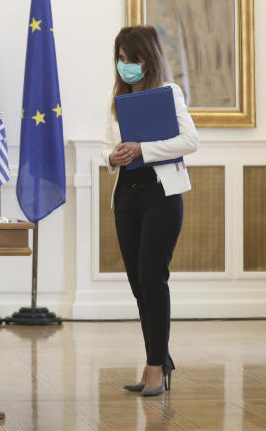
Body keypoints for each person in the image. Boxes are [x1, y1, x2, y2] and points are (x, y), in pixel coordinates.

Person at [101, 25, 198, 396]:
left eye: (132, 58)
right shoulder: (116, 100)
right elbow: (105, 147)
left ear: (148, 58)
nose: (126, 65)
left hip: (162, 195)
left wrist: (143, 148)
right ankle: (158, 357)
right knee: (138, 283)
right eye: (121, 59)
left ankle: (155, 366)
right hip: (126, 196)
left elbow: (190, 140)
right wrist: (113, 155)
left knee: (153, 279)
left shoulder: (168, 94)